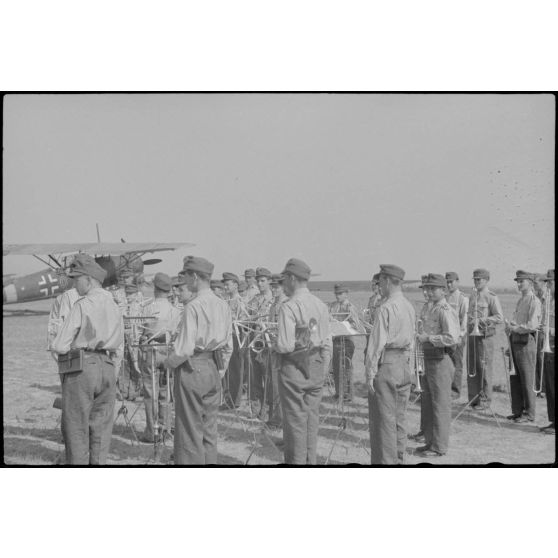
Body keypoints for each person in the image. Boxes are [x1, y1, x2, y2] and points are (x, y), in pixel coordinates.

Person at [51, 254, 124, 465]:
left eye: (77, 279)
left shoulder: (82, 304)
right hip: (108, 365)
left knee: (76, 428)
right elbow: (119, 344)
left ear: (89, 279)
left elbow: (59, 344)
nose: (75, 284)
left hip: (83, 366)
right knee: (101, 428)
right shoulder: (114, 304)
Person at [164, 256, 232, 465]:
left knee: (189, 430)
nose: (185, 280)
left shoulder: (193, 306)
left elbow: (184, 349)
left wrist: (168, 363)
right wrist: (220, 370)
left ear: (194, 277)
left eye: (186, 276)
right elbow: (229, 346)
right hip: (213, 366)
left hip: (193, 367)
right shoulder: (223, 305)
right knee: (209, 429)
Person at [275, 258, 332, 464]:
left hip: (294, 367)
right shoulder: (320, 305)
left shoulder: (288, 306)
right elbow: (327, 342)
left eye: (284, 280)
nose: (283, 285)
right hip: (316, 364)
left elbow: (285, 346)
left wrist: (271, 345)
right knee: (311, 418)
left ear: (292, 278)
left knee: (295, 420)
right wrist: (324, 368)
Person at [365, 264, 415, 465]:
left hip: (387, 363)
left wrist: (369, 373)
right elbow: (412, 340)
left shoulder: (385, 307)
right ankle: (399, 459)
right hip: (403, 363)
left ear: (386, 281)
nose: (380, 286)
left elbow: (375, 346)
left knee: (384, 421)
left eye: (381, 282)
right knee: (399, 419)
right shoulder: (409, 306)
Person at [415, 274, 460, 457]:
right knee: (428, 403)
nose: (428, 292)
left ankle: (439, 447)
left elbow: (452, 338)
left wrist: (429, 338)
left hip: (441, 360)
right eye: (427, 288)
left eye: (433, 288)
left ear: (443, 290)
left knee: (440, 405)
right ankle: (429, 441)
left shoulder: (445, 309)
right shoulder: (427, 308)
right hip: (427, 359)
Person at [138, 272, 182, 443]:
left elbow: (140, 332)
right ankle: (165, 428)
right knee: (166, 392)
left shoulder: (148, 307)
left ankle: (152, 430)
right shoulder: (175, 310)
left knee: (150, 392)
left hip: (151, 350)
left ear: (155, 288)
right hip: (168, 351)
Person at [505, 270, 542, 423]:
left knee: (527, 379)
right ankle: (518, 411)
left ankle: (529, 413)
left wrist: (515, 328)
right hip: (516, 342)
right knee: (515, 379)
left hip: (526, 343)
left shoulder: (534, 301)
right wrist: (510, 327)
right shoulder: (521, 300)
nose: (519, 284)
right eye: (518, 281)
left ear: (530, 283)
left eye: (522, 281)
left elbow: (532, 325)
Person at [466, 268, 503, 409]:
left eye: (479, 279)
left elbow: (499, 317)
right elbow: (469, 314)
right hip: (473, 336)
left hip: (485, 336)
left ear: (486, 280)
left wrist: (482, 320)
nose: (476, 282)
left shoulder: (491, 297)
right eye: (474, 279)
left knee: (484, 367)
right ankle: (474, 398)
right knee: (473, 366)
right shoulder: (473, 296)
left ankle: (485, 400)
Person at [328, 283, 364, 402]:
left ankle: (348, 394)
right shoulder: (332, 306)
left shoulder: (350, 307)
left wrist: (343, 324)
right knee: (335, 368)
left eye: (340, 293)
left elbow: (356, 324)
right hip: (335, 339)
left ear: (346, 294)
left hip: (346, 340)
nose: (338, 296)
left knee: (345, 368)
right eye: (336, 293)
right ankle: (339, 393)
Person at [246, 267, 274, 414]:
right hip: (253, 340)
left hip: (267, 342)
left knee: (267, 377)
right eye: (258, 281)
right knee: (254, 376)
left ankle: (267, 410)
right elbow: (246, 318)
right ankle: (255, 408)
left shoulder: (274, 300)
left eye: (263, 281)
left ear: (269, 281)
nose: (260, 283)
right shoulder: (254, 300)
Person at [222, 271, 249, 407]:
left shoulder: (239, 302)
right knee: (227, 371)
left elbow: (244, 322)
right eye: (224, 285)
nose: (225, 287)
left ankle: (234, 401)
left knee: (235, 371)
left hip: (235, 338)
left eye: (227, 285)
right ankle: (228, 399)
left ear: (235, 285)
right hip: (225, 338)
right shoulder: (225, 301)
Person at [266, 273, 289, 428]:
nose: (273, 289)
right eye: (272, 286)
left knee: (280, 386)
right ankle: (275, 417)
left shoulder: (286, 304)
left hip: (282, 349)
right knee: (273, 384)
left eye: (276, 287)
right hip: (272, 347)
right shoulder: (274, 304)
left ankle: (280, 419)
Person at [445, 272, 469, 400]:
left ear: (457, 282)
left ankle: (455, 391)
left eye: (451, 282)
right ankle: (446, 388)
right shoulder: (445, 297)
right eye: (447, 282)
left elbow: (464, 319)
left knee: (457, 363)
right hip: (446, 336)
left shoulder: (462, 298)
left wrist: (460, 336)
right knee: (446, 363)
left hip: (458, 337)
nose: (449, 284)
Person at [539, 269, 555, 434]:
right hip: (549, 347)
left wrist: (550, 331)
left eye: (550, 282)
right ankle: (553, 421)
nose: (548, 286)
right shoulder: (549, 300)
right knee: (550, 386)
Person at [533, 273, 547, 397]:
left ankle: (544, 389)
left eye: (536, 283)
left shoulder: (548, 297)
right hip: (536, 332)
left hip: (545, 333)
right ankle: (538, 388)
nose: (534, 285)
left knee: (543, 361)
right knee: (536, 360)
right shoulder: (535, 297)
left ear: (543, 283)